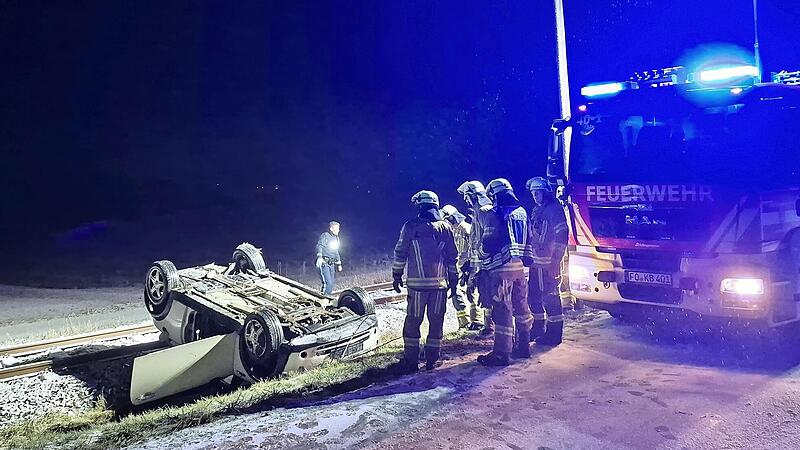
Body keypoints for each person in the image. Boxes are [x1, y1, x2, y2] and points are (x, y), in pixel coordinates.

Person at [390, 190, 458, 373]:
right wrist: (454, 279)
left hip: (417, 287)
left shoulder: (410, 226)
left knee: (413, 321)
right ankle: (432, 360)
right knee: (436, 322)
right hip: (439, 287)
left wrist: (397, 275)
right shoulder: (446, 227)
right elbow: (452, 256)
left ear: (420, 206)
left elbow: (400, 252)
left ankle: (411, 361)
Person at [476, 178, 533, 366]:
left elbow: (489, 242)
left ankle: (501, 354)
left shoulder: (495, 213)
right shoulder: (521, 212)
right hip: (519, 269)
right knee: (521, 307)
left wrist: (480, 256)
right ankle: (523, 346)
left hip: (501, 269)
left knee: (502, 311)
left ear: (494, 195)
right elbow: (529, 241)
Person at [524, 177, 569, 346]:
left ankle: (554, 334)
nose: (535, 196)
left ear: (546, 192)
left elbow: (562, 235)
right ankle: (538, 329)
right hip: (537, 263)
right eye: (533, 193)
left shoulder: (554, 210)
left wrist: (555, 261)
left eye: (538, 193)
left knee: (550, 297)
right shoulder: (538, 209)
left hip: (549, 264)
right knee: (534, 296)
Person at [456, 181, 495, 337]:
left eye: (467, 197)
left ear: (473, 196)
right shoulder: (478, 214)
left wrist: (480, 264)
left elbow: (487, 241)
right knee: (484, 296)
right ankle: (488, 326)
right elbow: (475, 243)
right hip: (480, 264)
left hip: (488, 264)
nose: (466, 201)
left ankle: (491, 327)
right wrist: (471, 265)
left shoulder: (485, 212)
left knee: (490, 296)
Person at [440, 204, 480, 329]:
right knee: (456, 293)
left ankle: (477, 322)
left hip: (470, 266)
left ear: (450, 218)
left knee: (472, 292)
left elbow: (475, 248)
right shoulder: (450, 231)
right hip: (457, 267)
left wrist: (471, 265)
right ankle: (464, 323)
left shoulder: (467, 229)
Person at [315, 221, 342, 295]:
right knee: (327, 284)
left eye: (338, 228)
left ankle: (326, 298)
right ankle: (324, 300)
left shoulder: (336, 238)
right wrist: (319, 257)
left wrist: (339, 263)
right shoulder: (325, 236)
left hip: (331, 264)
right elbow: (319, 246)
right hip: (324, 263)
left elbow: (336, 251)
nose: (338, 230)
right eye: (336, 228)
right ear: (331, 229)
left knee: (331, 284)